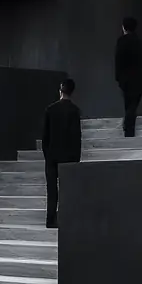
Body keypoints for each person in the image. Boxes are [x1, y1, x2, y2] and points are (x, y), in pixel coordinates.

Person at [41, 78, 82, 228]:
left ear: (60, 90)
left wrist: (47, 154)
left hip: (52, 156)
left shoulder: (50, 110)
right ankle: (65, 218)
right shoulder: (74, 111)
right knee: (67, 189)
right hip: (68, 157)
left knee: (52, 190)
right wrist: (76, 158)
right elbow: (76, 137)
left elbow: (45, 137)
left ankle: (50, 219)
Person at [115, 17, 142, 138]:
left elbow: (118, 60)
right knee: (133, 104)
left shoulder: (121, 41)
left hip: (126, 78)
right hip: (138, 78)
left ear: (124, 27)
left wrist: (118, 77)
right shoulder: (138, 41)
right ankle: (129, 127)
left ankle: (128, 128)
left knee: (128, 103)